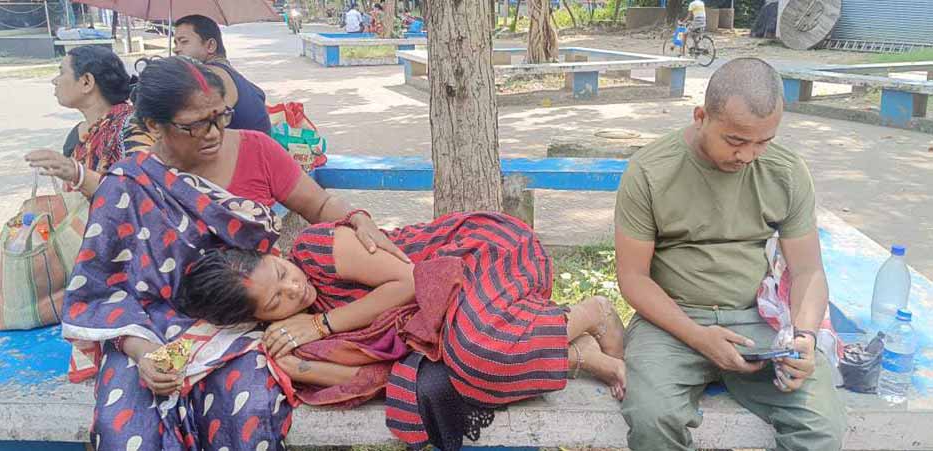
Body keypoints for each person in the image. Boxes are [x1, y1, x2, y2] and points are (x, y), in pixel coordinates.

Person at [61, 56, 406, 451]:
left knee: (246, 412)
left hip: (248, 323)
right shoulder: (126, 186)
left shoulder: (256, 149)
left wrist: (358, 218)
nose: (214, 133)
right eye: (194, 124)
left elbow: (319, 205)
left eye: (220, 116)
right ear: (154, 125)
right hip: (149, 332)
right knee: (124, 427)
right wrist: (143, 354)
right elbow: (105, 291)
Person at [177, 211, 629, 451]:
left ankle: (593, 312)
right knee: (458, 371)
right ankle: (575, 350)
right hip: (459, 316)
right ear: (262, 318)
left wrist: (322, 324)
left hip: (476, 258)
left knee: (470, 352)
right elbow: (379, 378)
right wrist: (304, 366)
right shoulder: (288, 332)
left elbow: (413, 281)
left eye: (280, 271)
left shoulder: (317, 249)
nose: (293, 287)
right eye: (276, 300)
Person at [614, 58, 847, 451]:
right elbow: (633, 278)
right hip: (671, 322)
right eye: (736, 141)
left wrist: (803, 337)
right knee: (653, 419)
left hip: (756, 320)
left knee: (820, 424)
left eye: (764, 141)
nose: (749, 156)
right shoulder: (650, 171)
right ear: (701, 116)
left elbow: (807, 269)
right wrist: (700, 338)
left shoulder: (786, 172)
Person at [24, 46, 152, 199]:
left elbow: (143, 197)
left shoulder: (132, 128)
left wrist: (80, 175)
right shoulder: (77, 136)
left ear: (87, 82)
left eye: (62, 72)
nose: (54, 81)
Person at [173, 14, 272, 134]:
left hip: (248, 150)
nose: (176, 49)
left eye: (183, 42)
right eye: (175, 43)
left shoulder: (211, 75)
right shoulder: (228, 71)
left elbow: (198, 128)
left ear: (210, 46)